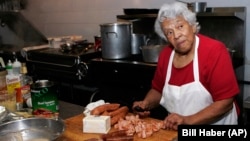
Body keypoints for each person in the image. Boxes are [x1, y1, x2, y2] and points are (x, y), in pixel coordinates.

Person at [132, 2, 240, 130]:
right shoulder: (166, 55)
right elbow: (158, 89)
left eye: (180, 26)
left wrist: (187, 121)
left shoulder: (214, 51)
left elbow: (225, 102)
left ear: (193, 26)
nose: (176, 35)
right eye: (169, 33)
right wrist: (146, 103)